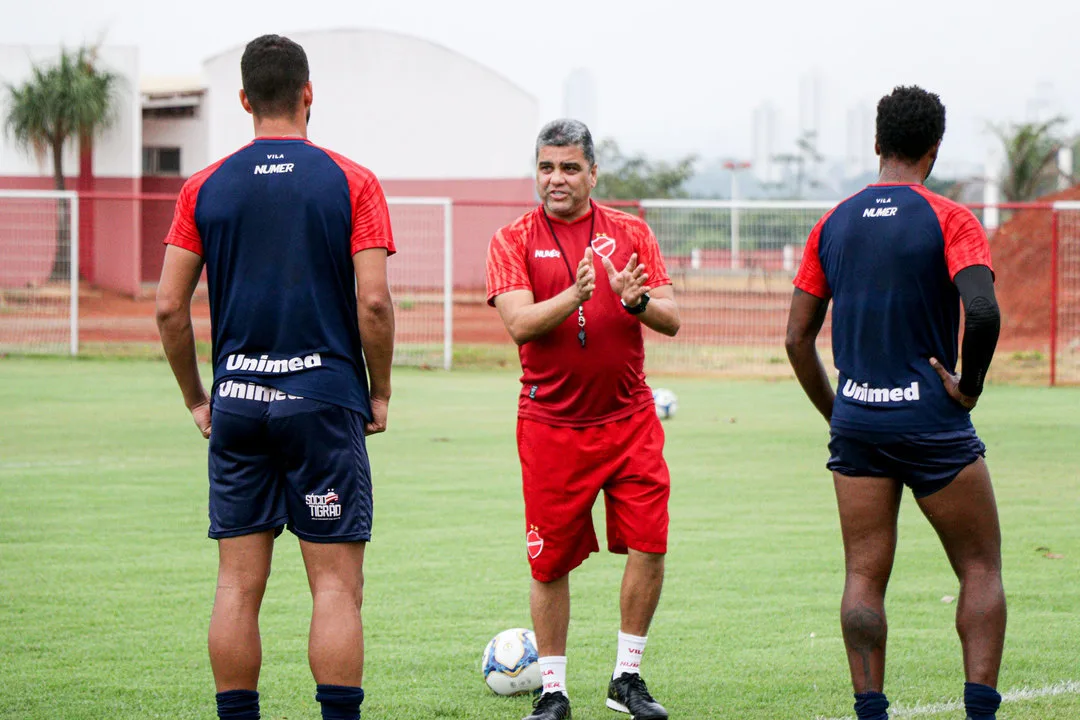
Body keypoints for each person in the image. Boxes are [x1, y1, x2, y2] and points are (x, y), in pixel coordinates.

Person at [155, 34, 395, 720]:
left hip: (237, 402)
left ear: (243, 101)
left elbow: (170, 307)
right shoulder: (352, 181)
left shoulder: (204, 187)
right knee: (335, 590)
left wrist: (200, 397)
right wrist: (379, 390)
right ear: (308, 94)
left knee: (237, 586)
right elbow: (373, 302)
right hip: (323, 402)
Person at [785, 86, 1005, 720]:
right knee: (979, 568)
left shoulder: (833, 222)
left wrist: (838, 411)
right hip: (932, 421)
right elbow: (983, 308)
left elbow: (797, 338)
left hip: (858, 421)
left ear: (876, 143)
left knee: (863, 575)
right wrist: (971, 384)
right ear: (934, 150)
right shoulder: (950, 218)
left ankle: (871, 711)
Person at [486, 119, 680, 720]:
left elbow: (672, 318)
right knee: (550, 562)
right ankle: (552, 690)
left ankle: (626, 678)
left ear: (593, 174)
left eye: (570, 168)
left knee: (650, 544)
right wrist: (577, 294)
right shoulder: (512, 238)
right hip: (550, 425)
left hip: (629, 420)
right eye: (546, 167)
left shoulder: (631, 232)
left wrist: (635, 300)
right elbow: (518, 323)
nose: (557, 179)